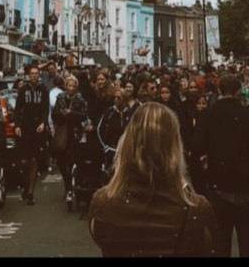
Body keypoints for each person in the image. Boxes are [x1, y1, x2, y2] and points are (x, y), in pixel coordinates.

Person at [88, 102, 216, 257]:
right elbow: (205, 246)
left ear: (127, 144)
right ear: (175, 148)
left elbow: (100, 238)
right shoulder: (197, 209)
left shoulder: (102, 203)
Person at [191, 72, 249, 258]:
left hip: (219, 186)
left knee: (221, 242)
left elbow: (195, 147)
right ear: (238, 91)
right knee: (246, 243)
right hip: (245, 188)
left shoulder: (209, 115)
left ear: (219, 90)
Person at [13, 64, 50, 205]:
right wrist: (17, 125)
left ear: (39, 75)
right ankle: (25, 185)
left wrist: (43, 123)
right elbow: (17, 109)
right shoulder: (23, 91)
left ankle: (30, 192)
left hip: (37, 129)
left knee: (34, 160)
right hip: (25, 129)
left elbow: (45, 109)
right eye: (32, 73)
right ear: (29, 75)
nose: (34, 75)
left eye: (36, 73)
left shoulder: (43, 90)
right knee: (23, 161)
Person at [52, 74, 89, 204]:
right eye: (69, 85)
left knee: (75, 159)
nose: (71, 88)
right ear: (66, 86)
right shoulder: (60, 98)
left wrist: (71, 114)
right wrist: (61, 115)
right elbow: (54, 115)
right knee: (61, 160)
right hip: (63, 131)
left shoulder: (80, 100)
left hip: (75, 132)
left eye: (73, 86)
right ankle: (68, 184)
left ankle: (75, 185)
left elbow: (84, 116)